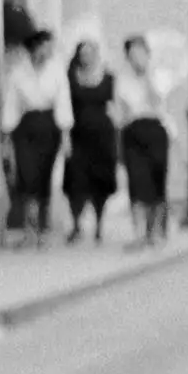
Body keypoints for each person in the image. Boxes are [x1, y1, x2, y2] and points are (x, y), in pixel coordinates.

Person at [0, 28, 63, 246]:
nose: (49, 51)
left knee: (44, 176)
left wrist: (65, 133)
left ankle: (43, 227)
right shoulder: (19, 73)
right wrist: (7, 133)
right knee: (27, 176)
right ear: (35, 47)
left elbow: (63, 103)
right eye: (46, 46)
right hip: (26, 127)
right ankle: (29, 228)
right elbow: (11, 103)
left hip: (48, 125)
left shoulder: (56, 71)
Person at [117, 32, 177, 247]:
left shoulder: (159, 74)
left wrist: (147, 75)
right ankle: (139, 232)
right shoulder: (122, 79)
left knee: (156, 181)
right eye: (132, 54)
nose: (136, 59)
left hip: (155, 129)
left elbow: (158, 100)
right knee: (136, 181)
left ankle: (155, 230)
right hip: (133, 131)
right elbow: (122, 111)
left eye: (140, 53)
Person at [59, 36, 120, 245]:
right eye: (82, 53)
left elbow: (116, 106)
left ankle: (99, 225)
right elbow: (65, 106)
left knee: (99, 182)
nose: (86, 57)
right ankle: (76, 223)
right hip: (78, 136)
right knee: (76, 181)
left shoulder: (108, 77)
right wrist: (66, 137)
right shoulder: (70, 77)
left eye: (89, 53)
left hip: (102, 136)